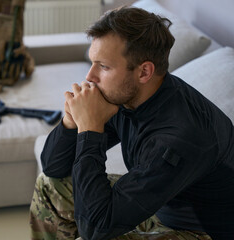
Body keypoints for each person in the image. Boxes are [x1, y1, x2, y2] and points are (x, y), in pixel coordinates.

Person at [29, 6, 234, 240]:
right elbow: (53, 167)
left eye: (104, 66)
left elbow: (96, 229)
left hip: (200, 232)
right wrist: (70, 121)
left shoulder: (178, 138)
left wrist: (90, 129)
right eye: (92, 62)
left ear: (144, 72)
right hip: (159, 205)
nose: (90, 77)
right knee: (51, 185)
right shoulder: (130, 96)